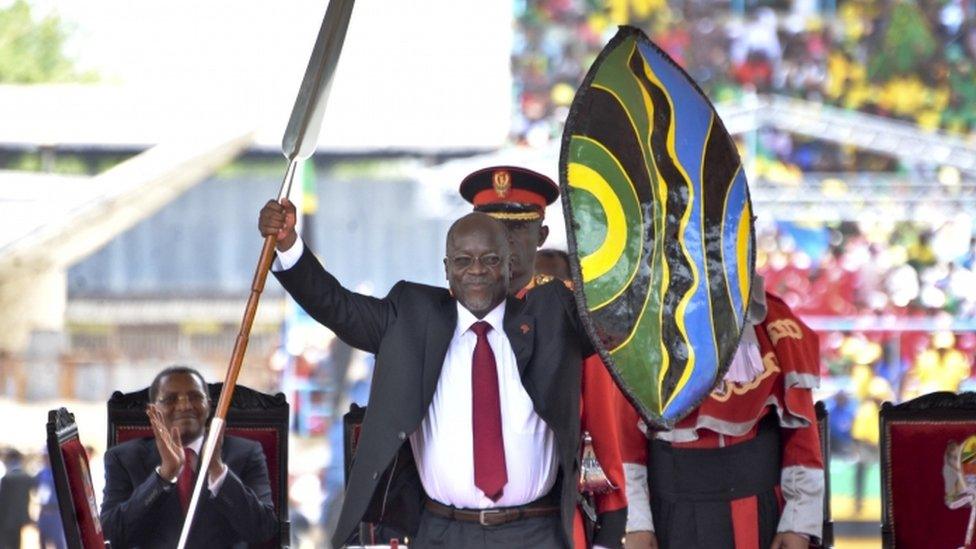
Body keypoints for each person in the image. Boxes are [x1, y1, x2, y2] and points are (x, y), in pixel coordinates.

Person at [260, 204, 596, 549]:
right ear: (447, 270)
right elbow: (337, 306)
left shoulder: (552, 314)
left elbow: (613, 321)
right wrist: (288, 246)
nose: (476, 270)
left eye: (490, 260)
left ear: (508, 266)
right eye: (463, 261)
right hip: (442, 532)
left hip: (535, 532)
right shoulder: (409, 317)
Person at [459, 166, 628, 548]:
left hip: (551, 518)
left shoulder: (571, 310)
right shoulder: (446, 312)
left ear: (542, 236)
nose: (504, 242)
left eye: (518, 229)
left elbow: (601, 419)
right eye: (492, 229)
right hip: (454, 521)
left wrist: (612, 517)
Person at [621, 279, 825, 549]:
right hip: (670, 514)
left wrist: (798, 524)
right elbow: (624, 438)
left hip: (761, 513)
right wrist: (636, 522)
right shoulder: (640, 326)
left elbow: (802, 441)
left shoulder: (777, 326)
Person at [100, 366, 278, 548]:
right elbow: (112, 532)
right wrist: (162, 477)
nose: (185, 406)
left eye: (195, 397)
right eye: (170, 399)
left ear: (208, 405)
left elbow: (262, 530)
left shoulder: (246, 453)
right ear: (154, 410)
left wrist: (217, 471)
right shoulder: (123, 458)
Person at [0, 449, 33, 549]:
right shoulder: (26, 477)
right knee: (16, 544)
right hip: (19, 518)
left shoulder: (6, 478)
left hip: (5, 519)